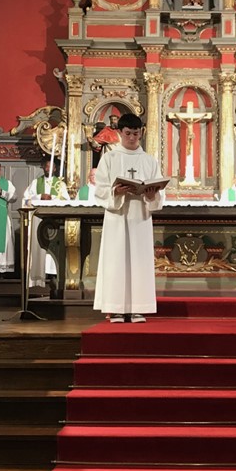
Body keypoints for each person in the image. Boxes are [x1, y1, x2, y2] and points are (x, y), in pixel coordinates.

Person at [93, 113, 165, 323]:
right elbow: (100, 189)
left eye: (136, 133)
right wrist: (115, 191)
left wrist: (152, 195)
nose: (132, 138)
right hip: (117, 216)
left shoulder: (149, 160)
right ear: (120, 133)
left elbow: (159, 190)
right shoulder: (110, 158)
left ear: (141, 133)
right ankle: (115, 308)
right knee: (116, 260)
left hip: (140, 217)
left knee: (139, 261)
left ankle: (137, 307)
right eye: (128, 133)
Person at [22, 157, 70, 289]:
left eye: (51, 166)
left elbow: (67, 201)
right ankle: (39, 276)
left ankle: (54, 275)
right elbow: (25, 200)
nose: (48, 169)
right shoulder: (35, 183)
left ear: (55, 169)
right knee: (39, 248)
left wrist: (52, 198)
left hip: (55, 221)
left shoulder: (60, 184)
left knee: (53, 248)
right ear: (43, 167)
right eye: (46, 166)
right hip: (39, 221)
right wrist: (39, 197)